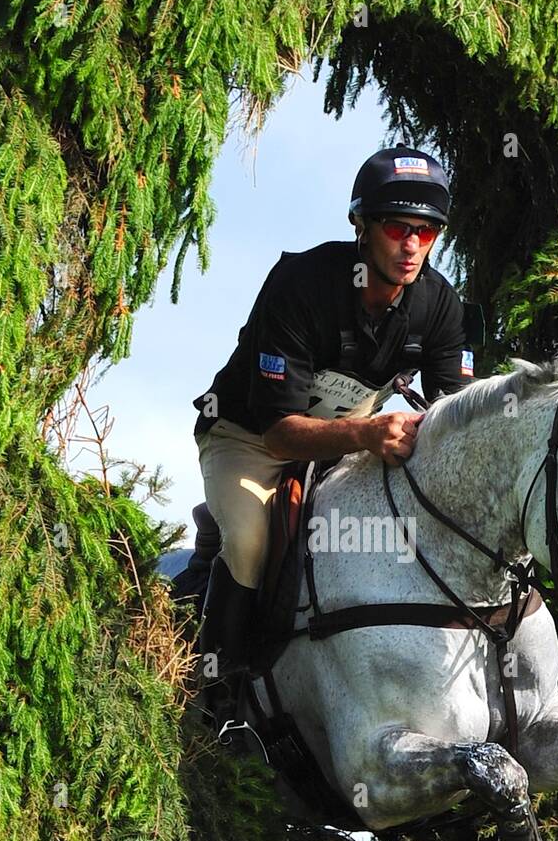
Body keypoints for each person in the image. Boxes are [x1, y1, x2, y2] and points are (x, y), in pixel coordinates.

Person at [191, 144, 475, 717]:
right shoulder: (301, 284)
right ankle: (216, 689)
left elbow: (455, 418)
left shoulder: (442, 306)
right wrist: (369, 434)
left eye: (428, 231)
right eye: (399, 227)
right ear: (362, 226)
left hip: (348, 439)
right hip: (248, 437)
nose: (413, 245)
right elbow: (278, 436)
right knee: (250, 543)